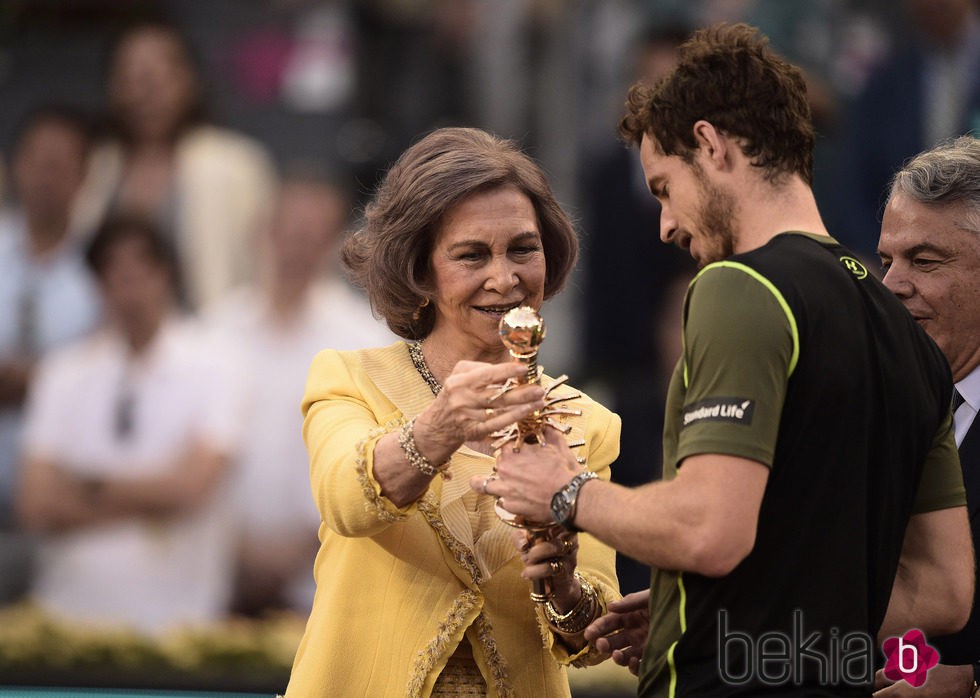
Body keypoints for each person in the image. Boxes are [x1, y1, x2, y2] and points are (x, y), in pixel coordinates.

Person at [481, 24, 973, 696]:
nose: (665, 225)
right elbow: (943, 591)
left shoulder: (738, 286)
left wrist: (567, 492)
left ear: (711, 146)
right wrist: (724, 614)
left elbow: (710, 531)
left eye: (663, 187)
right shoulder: (899, 323)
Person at [284, 127, 621, 697]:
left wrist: (559, 577)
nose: (505, 279)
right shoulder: (351, 378)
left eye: (523, 248)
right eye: (471, 255)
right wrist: (443, 424)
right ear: (420, 271)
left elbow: (593, 634)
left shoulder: (585, 422)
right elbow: (344, 501)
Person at [15, 216, 244, 635]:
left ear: (166, 274)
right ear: (98, 283)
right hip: (66, 619)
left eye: (141, 270)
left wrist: (86, 485)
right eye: (113, 273)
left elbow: (191, 489)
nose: (129, 287)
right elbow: (36, 502)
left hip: (180, 624)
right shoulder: (63, 372)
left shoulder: (216, 364)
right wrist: (156, 495)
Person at [206, 170, 394, 616]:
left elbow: (379, 460)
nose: (297, 248)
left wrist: (300, 547)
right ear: (262, 235)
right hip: (217, 574)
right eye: (287, 232)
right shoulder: (214, 330)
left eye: (313, 235)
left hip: (326, 578)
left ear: (335, 245)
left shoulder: (366, 342)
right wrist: (232, 547)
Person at [72, 19, 277, 311]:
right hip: (112, 345)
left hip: (210, 341)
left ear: (190, 82)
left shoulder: (236, 165)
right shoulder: (95, 166)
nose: (146, 94)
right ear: (112, 87)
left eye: (159, 78)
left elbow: (267, 270)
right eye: (132, 79)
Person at [876, 135, 980, 697]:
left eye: (923, 261)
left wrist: (969, 684)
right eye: (886, 259)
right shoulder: (859, 410)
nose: (891, 285)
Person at [0, 105, 101, 604]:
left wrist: (41, 379)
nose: (46, 177)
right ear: (14, 165)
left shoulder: (101, 270)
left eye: (61, 165)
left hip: (59, 488)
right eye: (36, 161)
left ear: (84, 176)